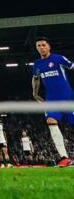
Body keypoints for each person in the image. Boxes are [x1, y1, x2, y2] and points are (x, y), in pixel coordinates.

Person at [31, 36, 74, 167]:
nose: (41, 47)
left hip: (67, 98)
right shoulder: (37, 64)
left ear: (49, 46)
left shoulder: (58, 59)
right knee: (50, 121)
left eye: (43, 45)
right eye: (39, 45)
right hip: (51, 100)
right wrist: (35, 93)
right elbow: (36, 78)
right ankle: (64, 157)